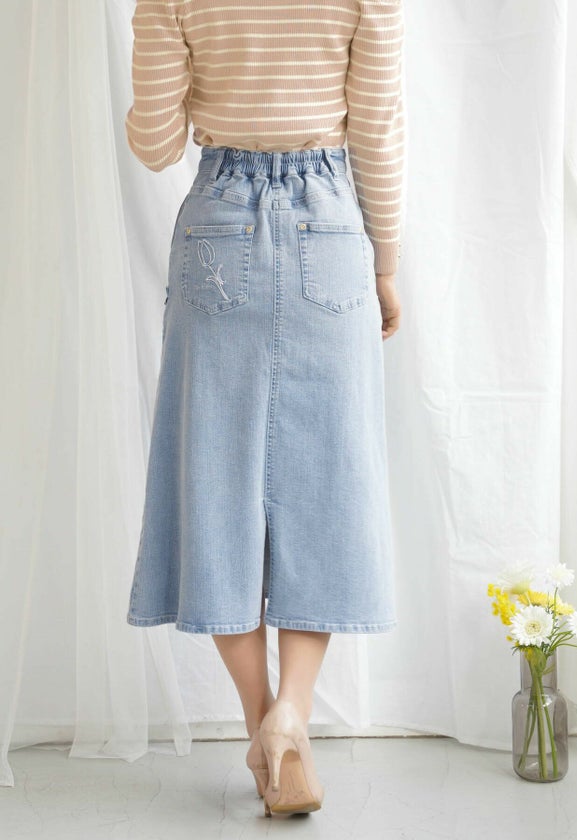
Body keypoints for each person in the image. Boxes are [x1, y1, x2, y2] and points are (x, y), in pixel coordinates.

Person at [124, 0, 405, 817]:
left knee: (215, 490)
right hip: (331, 227)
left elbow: (155, 144)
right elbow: (377, 129)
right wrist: (387, 264)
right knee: (326, 487)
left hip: (218, 226)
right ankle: (293, 714)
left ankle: (264, 731)